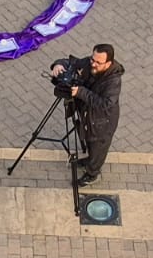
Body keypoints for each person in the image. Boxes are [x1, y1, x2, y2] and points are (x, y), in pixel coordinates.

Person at [49, 44, 123, 186]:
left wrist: (81, 92)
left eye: (98, 62)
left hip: (102, 123)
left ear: (108, 63)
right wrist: (58, 64)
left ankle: (92, 173)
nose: (93, 64)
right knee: (88, 141)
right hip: (87, 116)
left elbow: (106, 103)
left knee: (97, 149)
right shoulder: (90, 63)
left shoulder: (113, 81)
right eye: (92, 59)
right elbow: (73, 62)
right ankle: (88, 160)